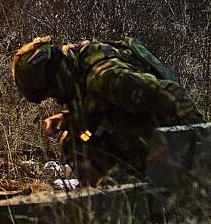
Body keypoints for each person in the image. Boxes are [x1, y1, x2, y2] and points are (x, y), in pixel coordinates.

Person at [11, 36, 201, 184]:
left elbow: (171, 95)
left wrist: (200, 150)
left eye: (50, 92)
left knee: (78, 144)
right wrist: (66, 119)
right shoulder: (78, 67)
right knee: (74, 141)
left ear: (53, 78)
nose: (54, 98)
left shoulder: (105, 78)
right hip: (142, 141)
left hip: (166, 150)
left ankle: (133, 196)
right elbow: (100, 110)